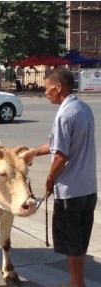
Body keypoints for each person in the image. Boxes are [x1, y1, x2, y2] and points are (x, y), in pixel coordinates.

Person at [35, 68, 97, 287]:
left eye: (47, 88)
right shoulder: (83, 108)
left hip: (70, 193)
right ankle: (76, 282)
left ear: (58, 87)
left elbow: (61, 155)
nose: (45, 93)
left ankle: (77, 285)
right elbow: (56, 145)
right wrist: (32, 152)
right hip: (88, 190)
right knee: (79, 242)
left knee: (72, 244)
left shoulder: (64, 114)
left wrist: (50, 179)